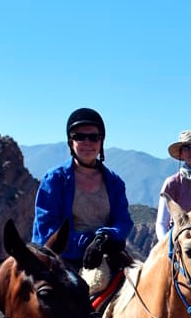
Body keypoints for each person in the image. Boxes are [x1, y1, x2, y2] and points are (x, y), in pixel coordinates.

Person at [33, 107, 133, 271]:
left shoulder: (115, 182)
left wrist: (105, 238)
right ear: (70, 142)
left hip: (105, 253)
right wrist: (86, 242)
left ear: (101, 142)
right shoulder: (55, 180)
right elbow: (47, 230)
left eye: (94, 137)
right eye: (79, 137)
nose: (87, 142)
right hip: (63, 258)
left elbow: (123, 220)